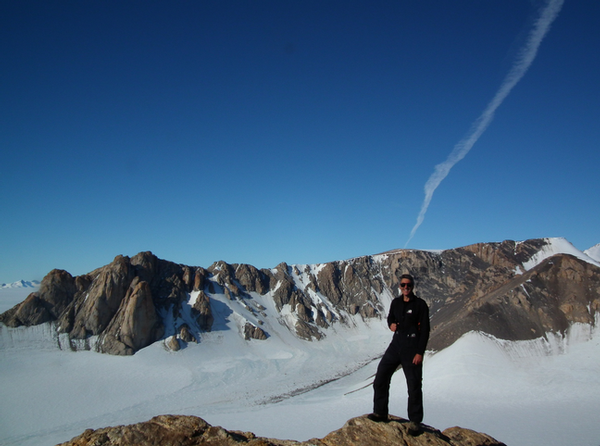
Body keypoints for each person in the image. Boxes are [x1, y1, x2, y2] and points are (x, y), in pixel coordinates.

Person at [369, 273, 430, 435]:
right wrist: (391, 325)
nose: (405, 287)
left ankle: (415, 421)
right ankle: (380, 412)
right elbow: (390, 318)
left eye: (408, 285)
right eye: (403, 285)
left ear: (413, 286)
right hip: (396, 345)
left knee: (414, 384)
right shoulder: (396, 303)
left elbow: (425, 330)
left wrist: (419, 352)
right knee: (381, 376)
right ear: (399, 286)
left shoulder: (420, 305)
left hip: (412, 347)